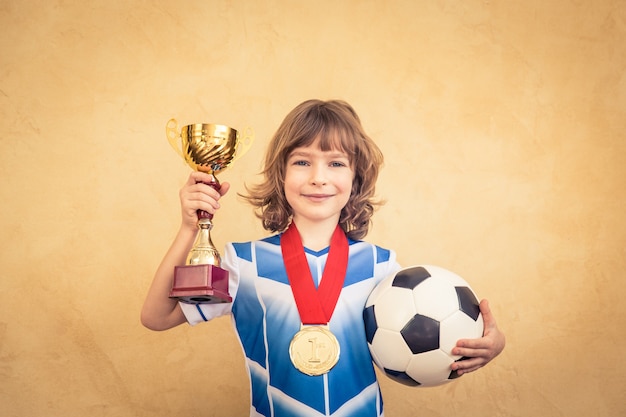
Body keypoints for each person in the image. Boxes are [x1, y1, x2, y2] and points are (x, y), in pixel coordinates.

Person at [141, 99, 505, 416]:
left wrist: (487, 344)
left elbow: (430, 341)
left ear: (355, 176)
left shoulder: (384, 269)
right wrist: (190, 228)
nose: (318, 178)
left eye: (336, 163)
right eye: (302, 162)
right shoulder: (242, 263)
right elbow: (157, 317)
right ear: (280, 173)